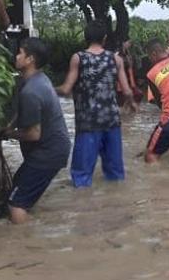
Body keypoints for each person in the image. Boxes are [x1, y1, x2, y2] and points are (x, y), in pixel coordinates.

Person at [56, 21, 135, 188]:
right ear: (105, 39)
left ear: (86, 37)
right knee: (115, 174)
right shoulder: (116, 58)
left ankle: (85, 208)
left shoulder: (78, 58)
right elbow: (127, 91)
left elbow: (66, 89)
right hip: (112, 121)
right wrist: (132, 103)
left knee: (82, 176)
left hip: (88, 123)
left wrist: (47, 87)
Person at [4, 38, 71, 223]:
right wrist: (8, 125)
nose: (16, 56)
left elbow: (34, 134)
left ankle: (24, 245)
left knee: (15, 204)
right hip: (52, 149)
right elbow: (19, 111)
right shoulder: (36, 79)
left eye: (20, 53)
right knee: (17, 186)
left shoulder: (31, 91)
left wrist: (7, 134)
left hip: (48, 153)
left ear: (30, 59)